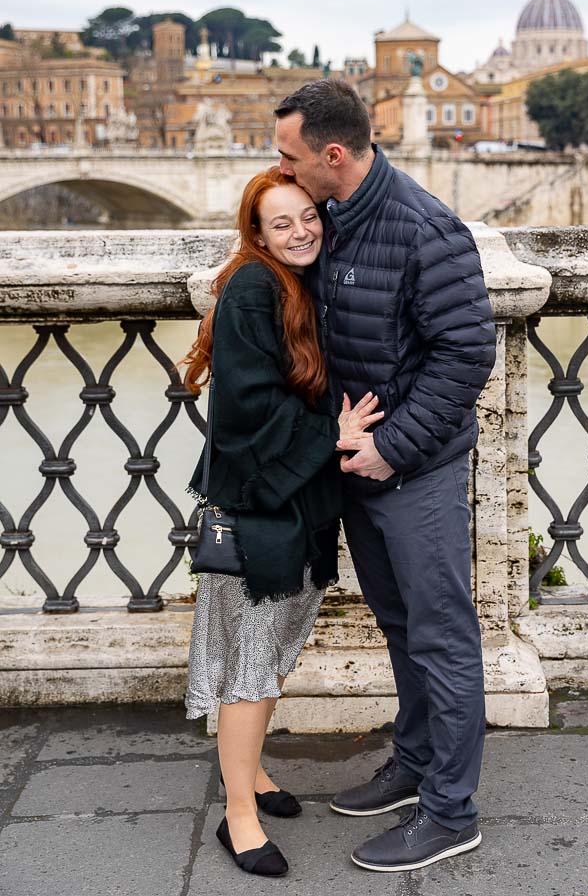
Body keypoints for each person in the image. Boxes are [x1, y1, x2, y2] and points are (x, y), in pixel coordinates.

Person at [274, 79, 497, 873]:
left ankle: (451, 811)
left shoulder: (425, 229)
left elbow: (468, 354)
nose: (282, 170)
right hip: (361, 470)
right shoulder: (330, 217)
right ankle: (414, 762)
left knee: (441, 637)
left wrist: (392, 447)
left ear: (333, 156)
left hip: (415, 473)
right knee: (401, 628)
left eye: (290, 157)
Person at [181, 167, 383, 879]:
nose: (300, 231)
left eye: (309, 216)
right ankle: (238, 816)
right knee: (253, 663)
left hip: (293, 503)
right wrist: (332, 430)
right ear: (257, 234)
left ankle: (254, 773)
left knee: (273, 650)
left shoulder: (298, 281)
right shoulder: (252, 288)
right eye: (281, 223)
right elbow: (244, 409)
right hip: (258, 506)